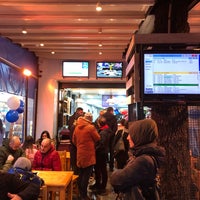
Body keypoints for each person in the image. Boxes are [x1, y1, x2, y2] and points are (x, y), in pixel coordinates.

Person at [110, 118, 166, 200]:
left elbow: (117, 180)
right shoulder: (145, 155)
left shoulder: (143, 160)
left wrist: (116, 173)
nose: (128, 138)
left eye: (131, 134)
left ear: (140, 136)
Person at [73, 112, 100, 200]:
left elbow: (74, 140)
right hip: (89, 154)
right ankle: (84, 195)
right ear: (90, 119)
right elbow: (98, 138)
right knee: (86, 175)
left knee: (81, 174)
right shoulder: (90, 127)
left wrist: (80, 146)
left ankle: (81, 193)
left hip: (80, 153)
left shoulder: (77, 127)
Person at [90, 116, 112, 195]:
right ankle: (98, 184)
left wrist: (95, 149)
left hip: (101, 153)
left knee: (102, 170)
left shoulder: (104, 132)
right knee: (98, 169)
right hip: (102, 153)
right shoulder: (105, 130)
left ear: (100, 123)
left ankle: (102, 187)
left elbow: (101, 144)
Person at [68, 107, 84, 174]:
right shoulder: (75, 125)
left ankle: (76, 180)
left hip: (74, 147)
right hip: (76, 147)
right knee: (76, 166)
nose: (82, 113)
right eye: (81, 112)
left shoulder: (72, 121)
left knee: (75, 166)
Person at [103, 106, 118, 171]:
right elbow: (115, 128)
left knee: (104, 150)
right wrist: (112, 134)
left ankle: (104, 165)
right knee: (112, 151)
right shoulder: (114, 117)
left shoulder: (102, 116)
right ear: (111, 111)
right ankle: (111, 167)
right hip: (111, 136)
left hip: (104, 135)